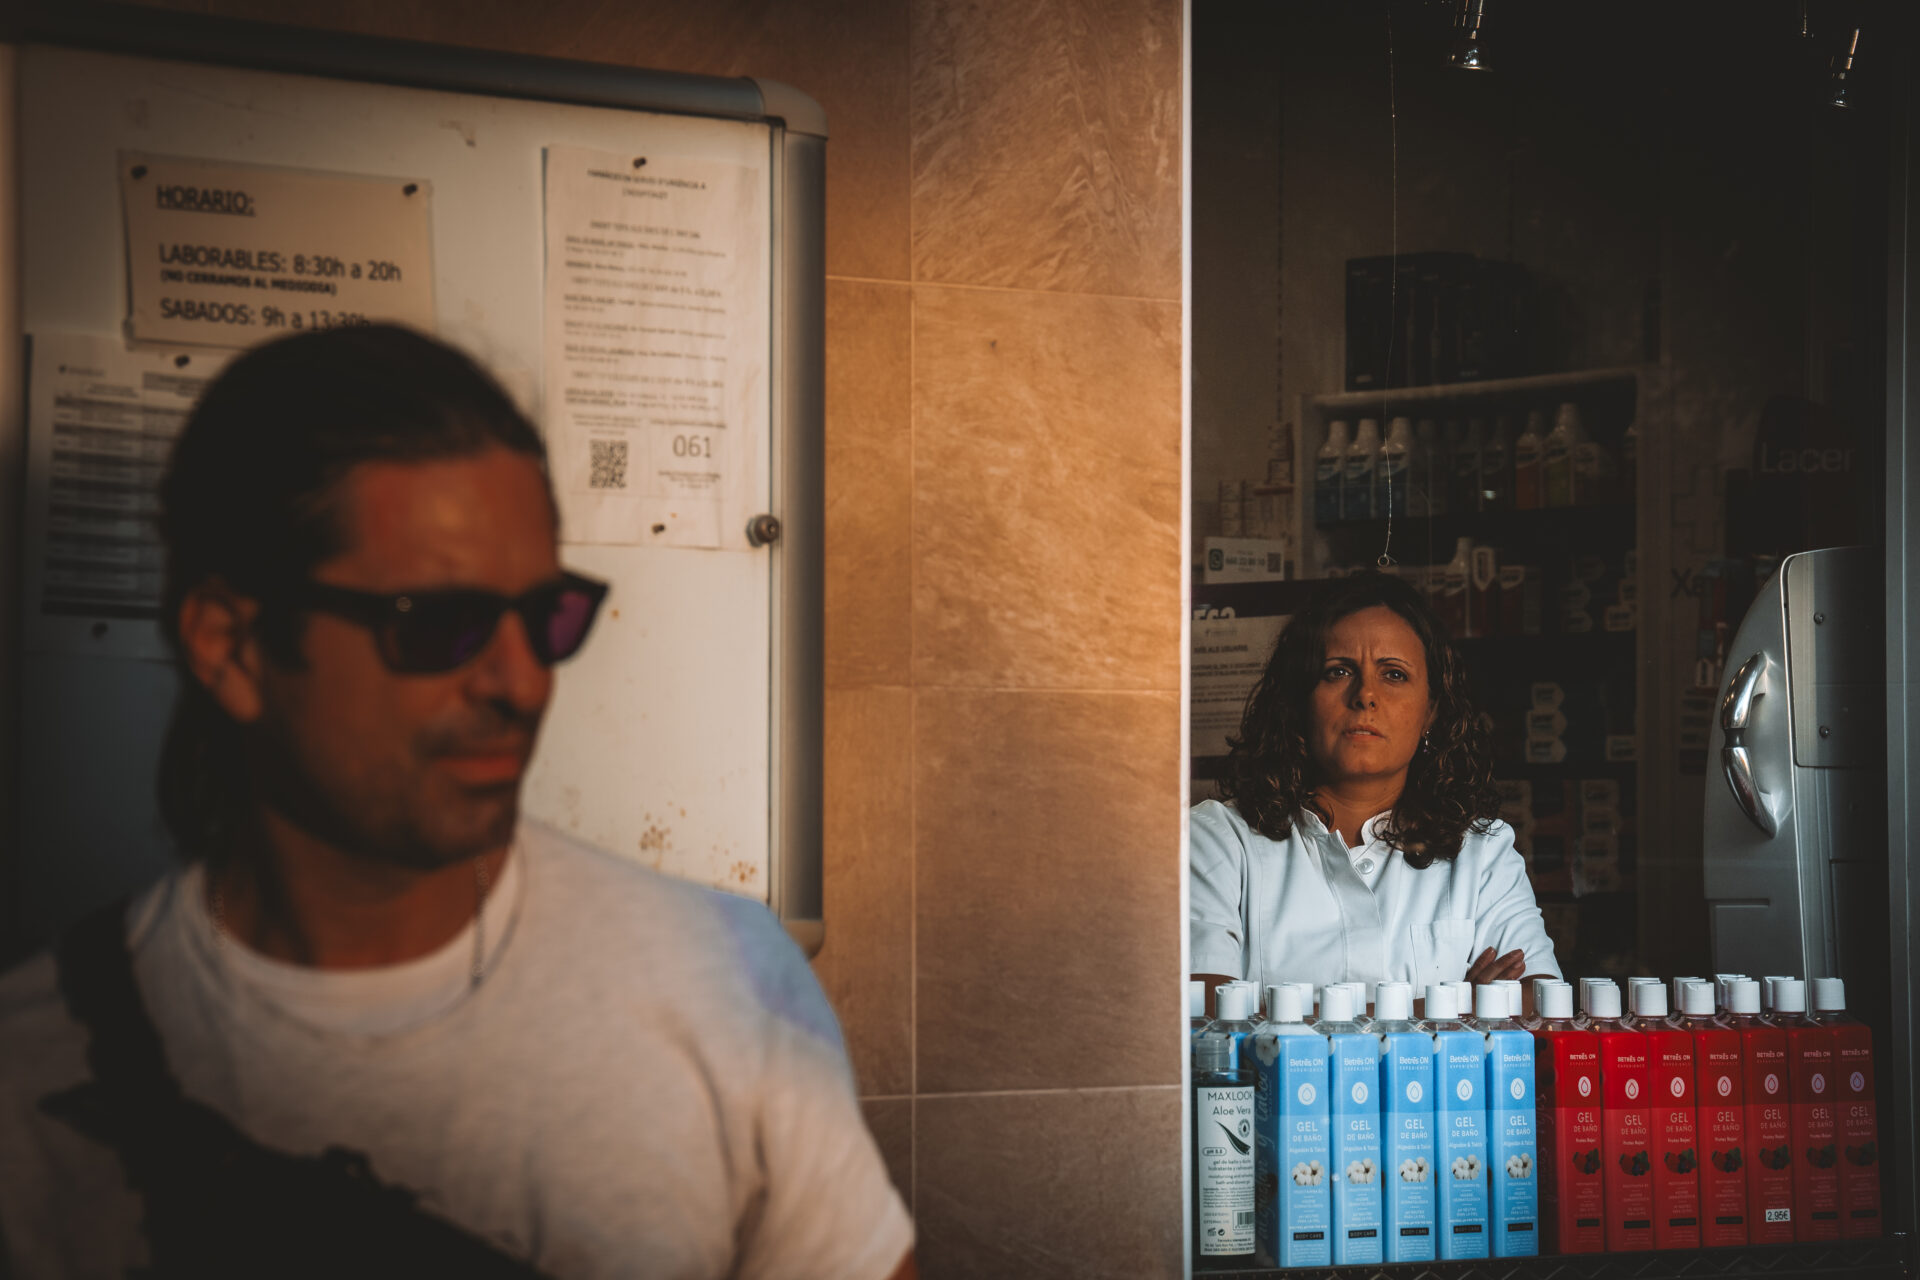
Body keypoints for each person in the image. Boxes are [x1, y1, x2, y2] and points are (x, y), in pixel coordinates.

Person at [0, 325, 916, 1279]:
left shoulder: (723, 983)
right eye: (441, 622)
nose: (522, 682)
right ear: (233, 647)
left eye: (547, 615)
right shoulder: (42, 1079)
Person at [1190, 570, 1560, 1010]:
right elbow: (1200, 1014)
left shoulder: (1482, 854)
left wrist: (1280, 1016)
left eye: (1394, 675)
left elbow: (1540, 1002)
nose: (1365, 695)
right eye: (1338, 671)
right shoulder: (1218, 839)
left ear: (1430, 712)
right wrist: (1453, 1008)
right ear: (1299, 701)